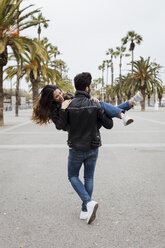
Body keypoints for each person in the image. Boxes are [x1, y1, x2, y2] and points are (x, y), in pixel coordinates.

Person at [32, 84, 143, 128]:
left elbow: (81, 103)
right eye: (57, 96)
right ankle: (127, 107)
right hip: (79, 127)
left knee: (102, 106)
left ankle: (128, 107)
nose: (61, 96)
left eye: (60, 93)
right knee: (103, 107)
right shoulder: (54, 111)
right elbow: (60, 126)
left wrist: (90, 100)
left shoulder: (68, 96)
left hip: (87, 119)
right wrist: (63, 109)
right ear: (51, 99)